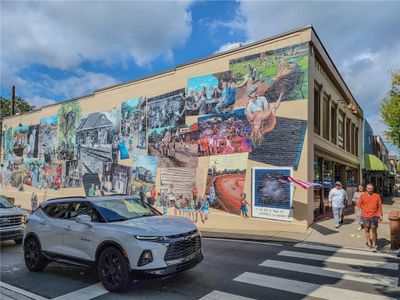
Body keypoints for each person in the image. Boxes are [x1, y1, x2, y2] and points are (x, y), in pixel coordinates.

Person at [357, 184, 383, 252]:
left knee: (374, 229)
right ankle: (369, 243)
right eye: (368, 188)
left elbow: (379, 206)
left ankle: (374, 244)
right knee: (367, 229)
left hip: (374, 215)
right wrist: (358, 211)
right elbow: (359, 204)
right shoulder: (362, 195)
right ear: (366, 188)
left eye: (371, 188)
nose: (370, 189)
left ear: (373, 189)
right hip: (365, 215)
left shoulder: (376, 196)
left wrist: (381, 215)